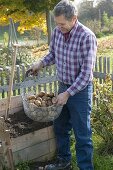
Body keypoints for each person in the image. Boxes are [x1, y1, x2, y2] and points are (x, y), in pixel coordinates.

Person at [26, 0, 97, 169]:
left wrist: (68, 93)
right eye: (57, 23)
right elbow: (53, 54)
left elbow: (86, 74)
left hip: (80, 91)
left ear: (74, 18)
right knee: (60, 127)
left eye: (62, 24)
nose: (59, 27)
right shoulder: (58, 32)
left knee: (82, 135)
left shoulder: (87, 37)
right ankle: (64, 162)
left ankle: (86, 167)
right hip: (62, 87)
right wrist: (40, 63)